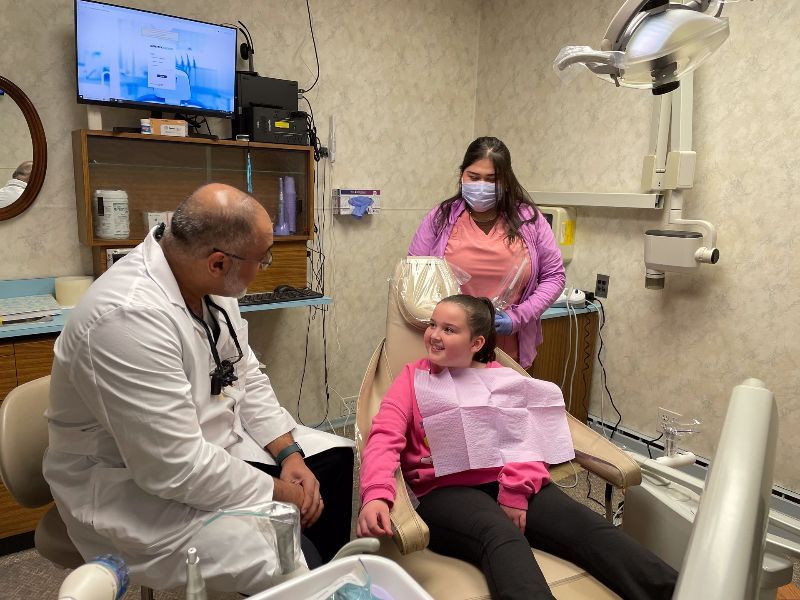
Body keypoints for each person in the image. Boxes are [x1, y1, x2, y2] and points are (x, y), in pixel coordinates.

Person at [44, 184, 354, 594]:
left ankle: (321, 579)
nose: (265, 267)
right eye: (263, 259)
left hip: (208, 448)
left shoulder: (209, 285)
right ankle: (304, 577)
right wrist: (282, 492)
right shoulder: (126, 318)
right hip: (134, 487)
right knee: (285, 553)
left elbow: (245, 373)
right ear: (218, 262)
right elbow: (174, 466)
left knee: (331, 463)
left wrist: (289, 453)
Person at [357, 295, 677, 600]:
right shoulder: (413, 379)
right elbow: (384, 437)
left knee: (587, 527)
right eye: (433, 325)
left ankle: (679, 591)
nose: (434, 335)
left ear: (476, 343)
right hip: (444, 491)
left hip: (509, 480)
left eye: (449, 329)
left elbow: (528, 439)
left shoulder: (501, 379)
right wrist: (376, 494)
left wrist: (515, 492)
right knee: (500, 534)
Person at [409, 137, 565, 369]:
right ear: (462, 175)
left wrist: (517, 318)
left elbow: (555, 277)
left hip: (507, 349)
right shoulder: (440, 218)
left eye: (492, 180)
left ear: (507, 181)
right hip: (449, 350)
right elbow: (415, 275)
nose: (482, 185)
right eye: (474, 177)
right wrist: (448, 324)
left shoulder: (530, 220)